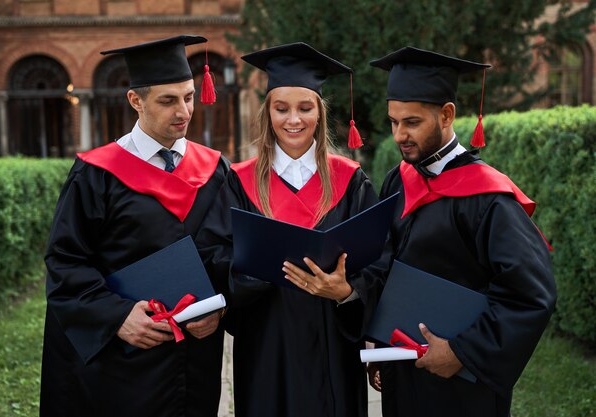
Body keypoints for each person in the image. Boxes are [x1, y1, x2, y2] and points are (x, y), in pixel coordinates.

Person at [40, 35, 230, 417]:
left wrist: (222, 308)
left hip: (194, 361)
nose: (184, 111)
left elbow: (231, 252)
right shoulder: (97, 174)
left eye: (189, 97)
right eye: (168, 100)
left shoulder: (215, 170)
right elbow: (65, 262)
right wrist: (116, 317)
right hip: (123, 363)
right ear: (135, 101)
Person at [366, 46, 557, 417]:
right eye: (393, 121)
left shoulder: (487, 198)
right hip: (403, 369)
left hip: (462, 385)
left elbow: (532, 295)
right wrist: (381, 346)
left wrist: (462, 352)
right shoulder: (399, 179)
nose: (399, 135)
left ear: (447, 115)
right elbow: (385, 266)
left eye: (412, 122)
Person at [196, 42, 384, 417]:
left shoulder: (350, 181)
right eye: (281, 109)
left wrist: (347, 291)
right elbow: (212, 255)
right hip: (266, 343)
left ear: (320, 113)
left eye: (304, 108)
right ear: (267, 114)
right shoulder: (238, 181)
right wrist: (257, 272)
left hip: (333, 342)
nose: (293, 120)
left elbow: (380, 259)